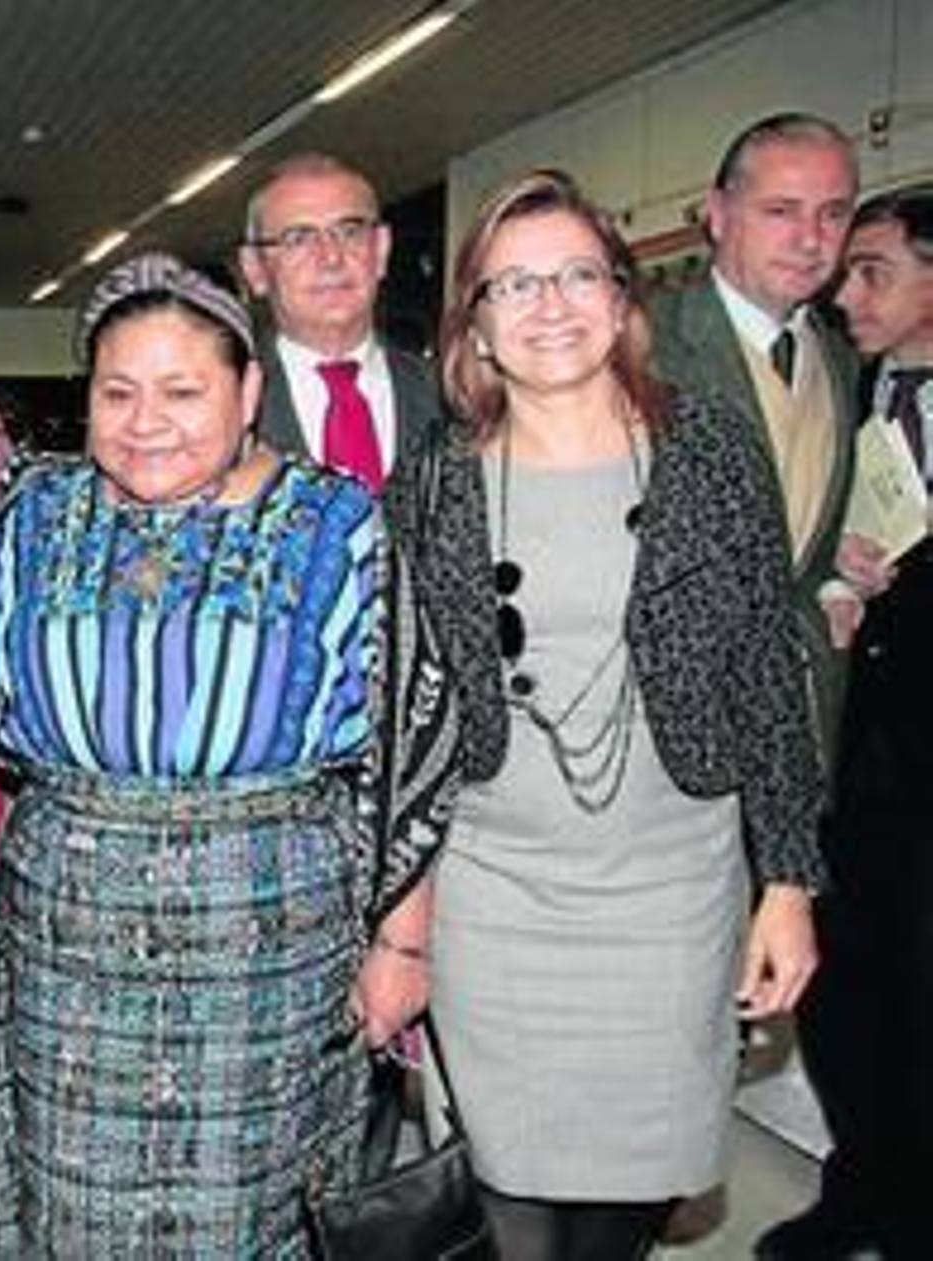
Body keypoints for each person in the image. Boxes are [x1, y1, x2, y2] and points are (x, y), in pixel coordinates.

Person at [0, 251, 458, 1257]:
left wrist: (403, 944)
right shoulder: (33, 514)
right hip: (70, 940)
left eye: (182, 390)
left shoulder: (338, 525)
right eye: (117, 392)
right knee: (75, 1214)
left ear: (246, 392)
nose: (145, 420)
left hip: (270, 939)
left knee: (255, 1215)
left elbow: (412, 741)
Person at [395, 170, 825, 1261]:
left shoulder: (710, 453)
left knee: (620, 1222)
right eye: (515, 283)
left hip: (674, 906)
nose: (550, 305)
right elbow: (404, 714)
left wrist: (786, 883)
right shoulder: (434, 484)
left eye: (577, 274)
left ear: (623, 300)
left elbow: (769, 672)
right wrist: (397, 919)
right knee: (518, 1221)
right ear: (475, 326)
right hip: (496, 904)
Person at [755, 185, 933, 1261]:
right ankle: (862, 1184)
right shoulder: (857, 393)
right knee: (848, 987)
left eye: (873, 269)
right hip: (857, 760)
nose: (843, 288)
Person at [650, 112, 860, 772]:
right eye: (781, 210)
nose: (810, 239)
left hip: (797, 724)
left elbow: (800, 537)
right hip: (666, 738)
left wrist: (834, 577)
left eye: (833, 213)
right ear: (717, 214)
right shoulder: (639, 347)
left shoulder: (839, 358)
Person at [238, 153, 444, 492]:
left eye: (350, 232)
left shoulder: (455, 400)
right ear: (255, 269)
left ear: (381, 251)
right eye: (298, 238)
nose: (331, 258)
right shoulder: (222, 415)